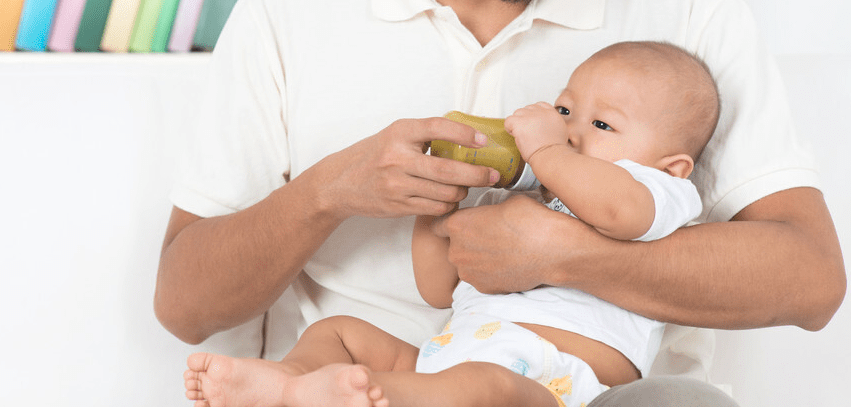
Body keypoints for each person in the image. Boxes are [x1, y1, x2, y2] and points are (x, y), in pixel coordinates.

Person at [155, 0, 846, 404]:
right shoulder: (290, 5)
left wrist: (565, 253)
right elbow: (185, 305)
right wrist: (330, 191)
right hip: (368, 378)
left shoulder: (692, 13)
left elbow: (811, 280)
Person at [182, 41, 719, 407]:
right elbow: (439, 287)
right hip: (449, 362)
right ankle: (294, 384)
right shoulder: (525, 197)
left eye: (601, 124)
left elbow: (617, 213)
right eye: (563, 111)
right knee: (338, 332)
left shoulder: (656, 193)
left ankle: (362, 396)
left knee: (487, 386)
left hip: (553, 385)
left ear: (671, 164)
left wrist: (549, 148)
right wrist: (438, 209)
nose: (572, 130)